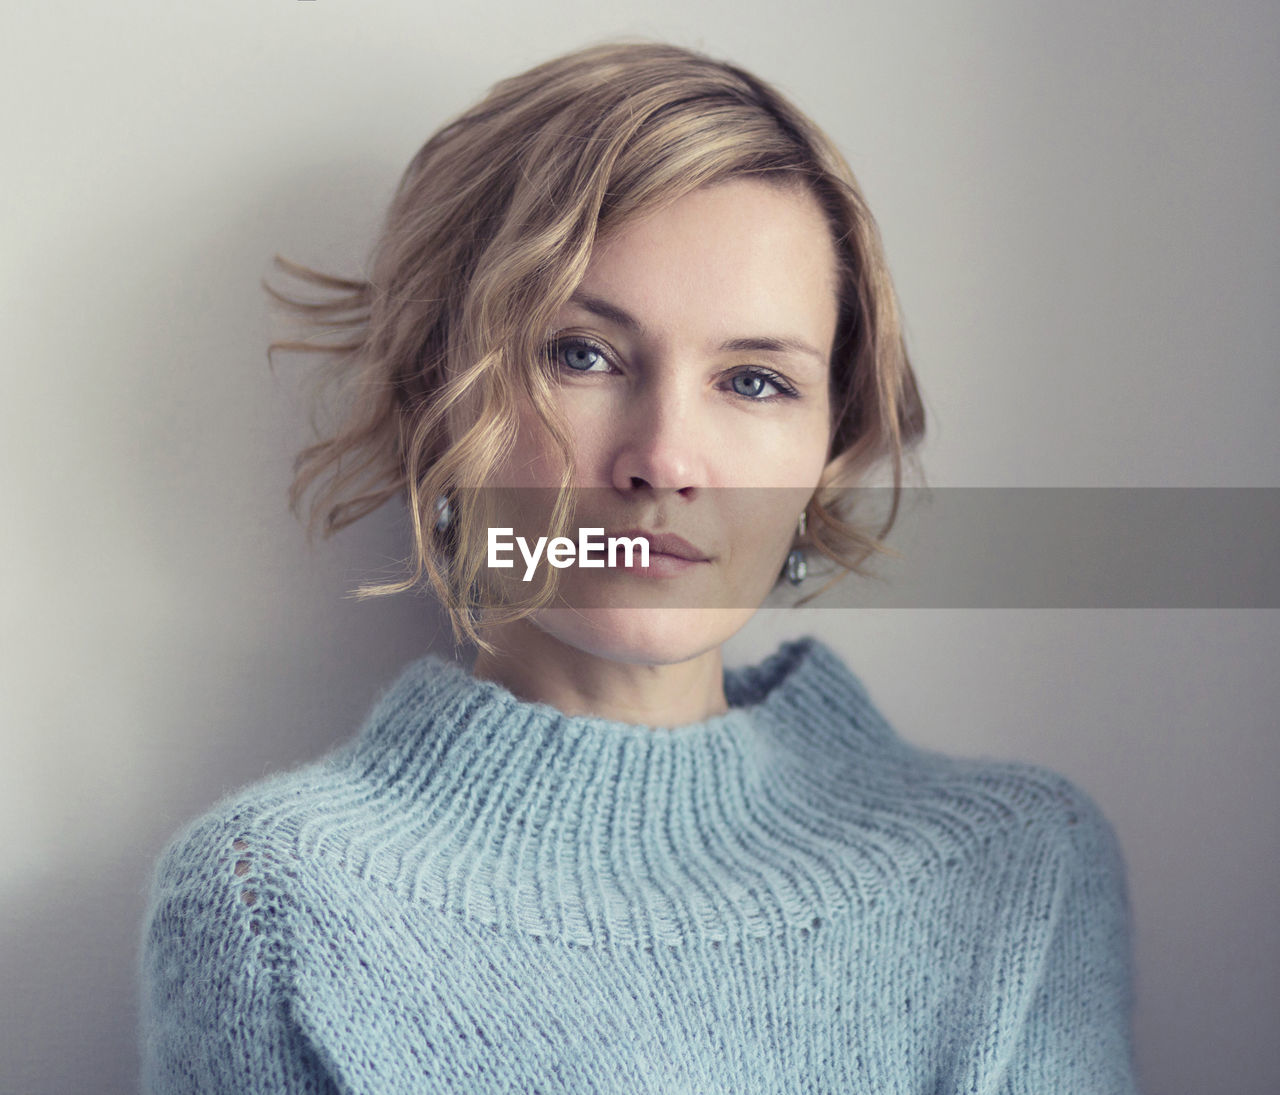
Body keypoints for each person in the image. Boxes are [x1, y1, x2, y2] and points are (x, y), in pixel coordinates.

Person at [138, 41, 1140, 1093]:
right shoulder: (271, 907)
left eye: (753, 382)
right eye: (581, 355)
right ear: (438, 394)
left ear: (824, 450)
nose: (664, 458)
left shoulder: (1021, 871)